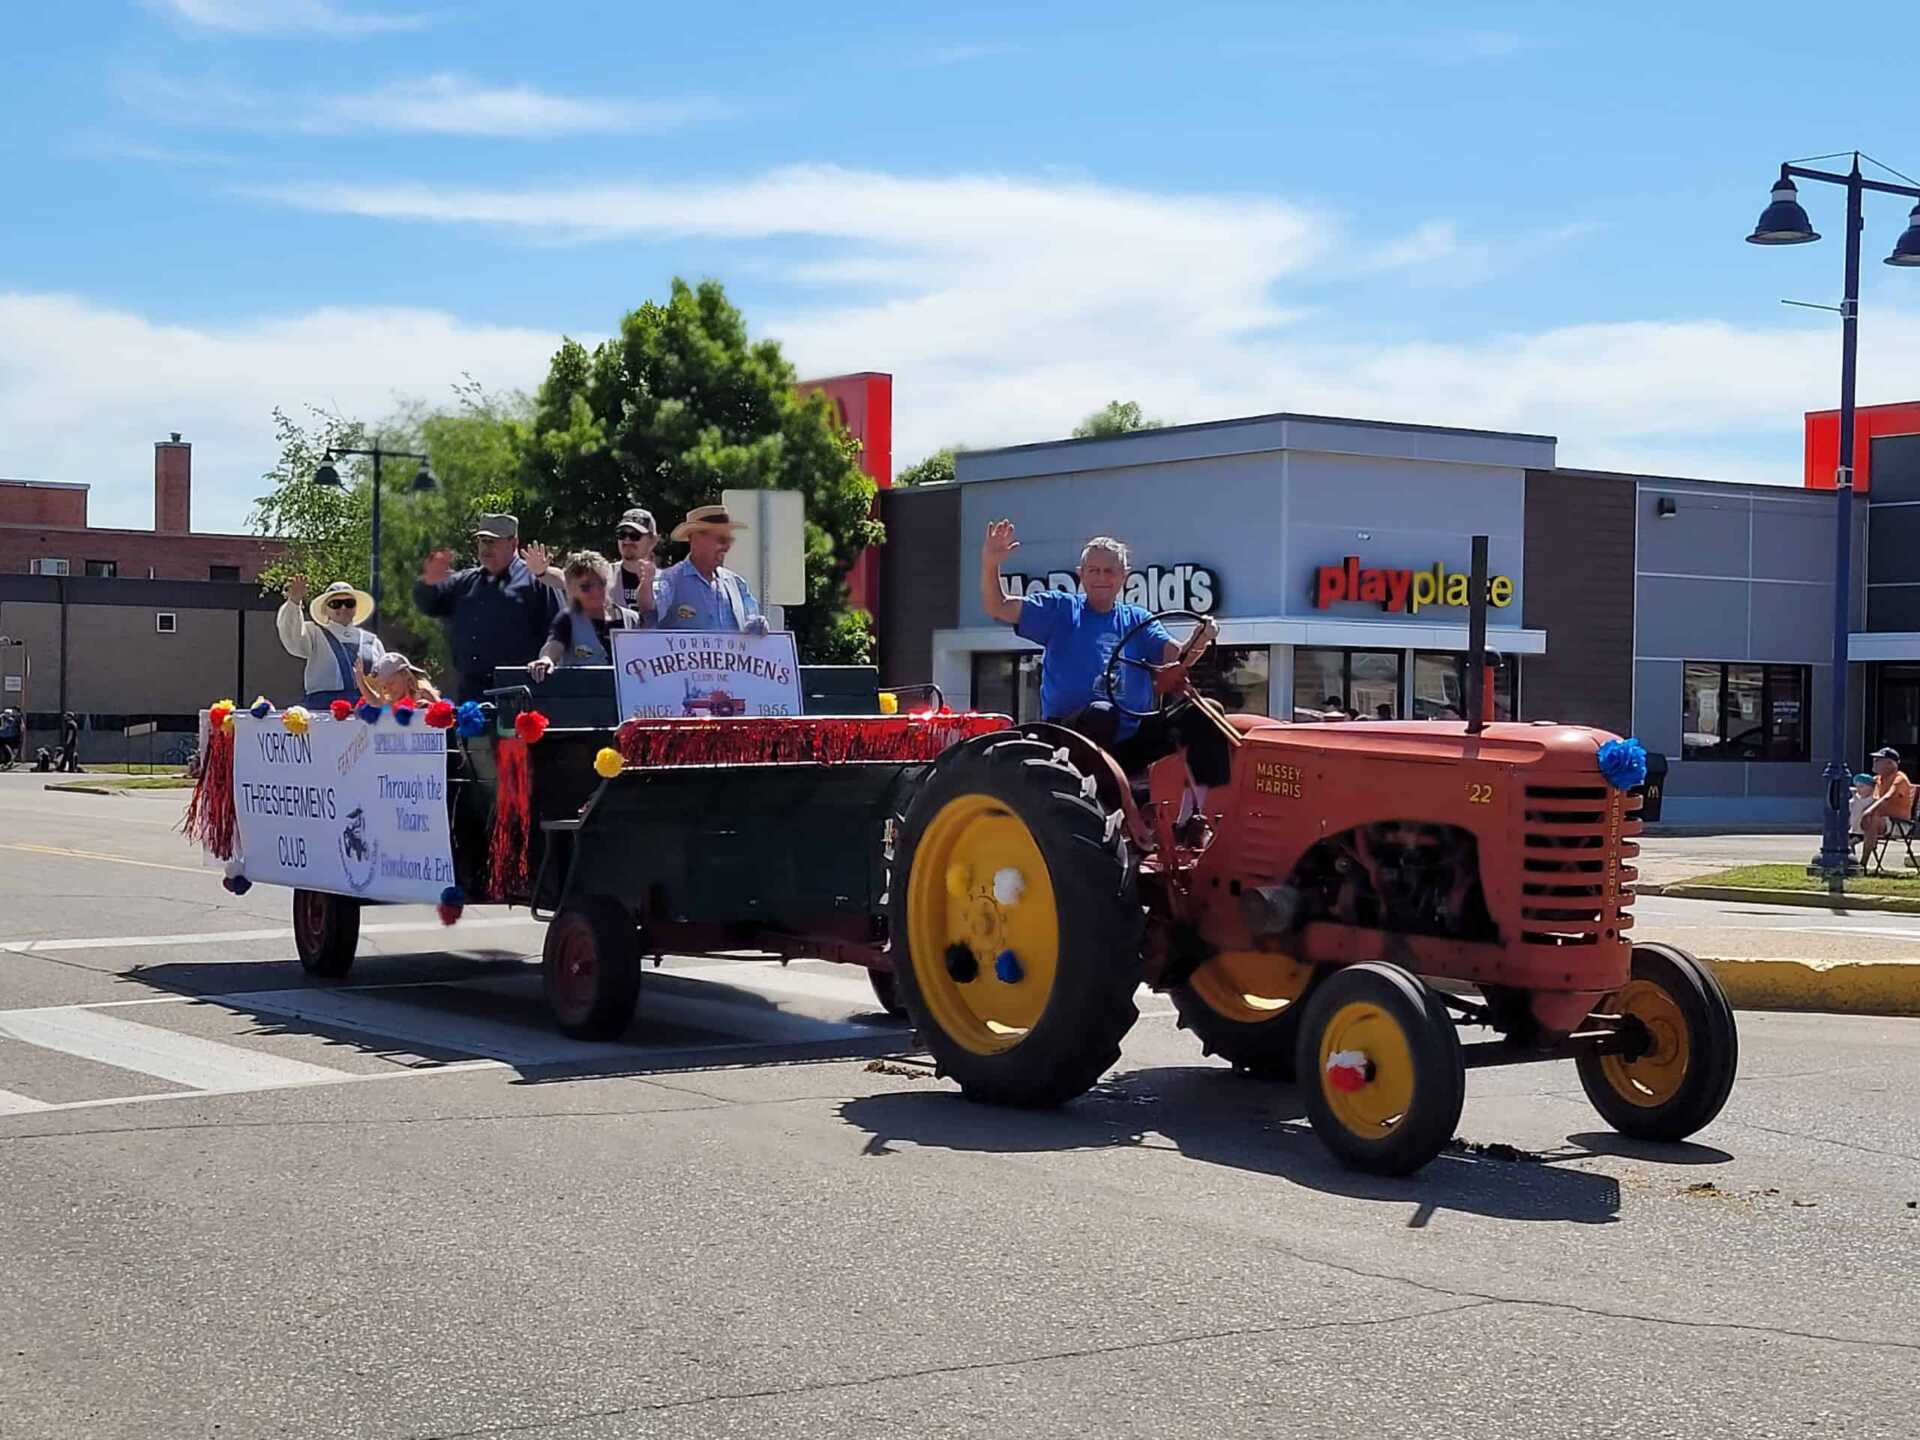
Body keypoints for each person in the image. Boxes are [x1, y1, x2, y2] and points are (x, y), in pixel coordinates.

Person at [979, 520, 1219, 779]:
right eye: (1094, 571)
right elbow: (998, 606)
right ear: (1081, 574)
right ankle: (1099, 799)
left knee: (1207, 711)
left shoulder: (1137, 620)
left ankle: (1201, 808)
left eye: (1109, 571)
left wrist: (1201, 637)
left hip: (1130, 739)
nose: (1101, 578)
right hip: (1072, 739)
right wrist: (991, 562)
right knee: (1103, 713)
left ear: (1124, 575)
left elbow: (1178, 658)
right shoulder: (1061, 610)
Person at [413, 514, 562, 702]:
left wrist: (547, 658)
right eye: (482, 541)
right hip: (471, 694)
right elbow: (430, 605)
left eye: (492, 542)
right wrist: (427, 581)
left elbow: (559, 630)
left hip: (521, 692)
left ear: (513, 542)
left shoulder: (538, 580)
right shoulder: (465, 581)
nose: (485, 547)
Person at [653, 505, 769, 634]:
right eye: (722, 540)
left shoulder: (737, 583)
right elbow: (650, 620)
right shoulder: (670, 580)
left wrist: (758, 626)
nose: (727, 547)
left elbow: (752, 619)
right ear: (695, 539)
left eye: (729, 540)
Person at [530, 551, 644, 681]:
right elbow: (554, 644)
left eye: (602, 583)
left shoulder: (632, 619)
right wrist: (546, 659)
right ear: (571, 589)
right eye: (586, 587)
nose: (596, 592)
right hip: (585, 696)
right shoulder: (567, 620)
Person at [278, 576, 387, 708]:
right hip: (323, 710)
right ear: (325, 609)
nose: (343, 608)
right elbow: (292, 638)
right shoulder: (313, 632)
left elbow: (386, 680)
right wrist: (294, 602)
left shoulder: (372, 641)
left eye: (349, 603)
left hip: (367, 712)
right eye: (335, 604)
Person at [1857, 746, 1916, 864]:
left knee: (1872, 819)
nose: (1874, 762)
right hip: (1883, 821)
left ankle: (1862, 863)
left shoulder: (1899, 778)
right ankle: (1850, 851)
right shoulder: (1878, 779)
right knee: (1852, 813)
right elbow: (1861, 790)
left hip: (1899, 824)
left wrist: (1868, 812)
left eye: (1878, 760)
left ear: (1890, 764)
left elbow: (1887, 797)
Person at [356, 652, 442, 708]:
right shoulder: (391, 702)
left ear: (405, 675)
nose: (389, 690)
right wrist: (360, 679)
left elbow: (446, 714)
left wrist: (432, 705)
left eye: (391, 683)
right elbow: (374, 701)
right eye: (384, 687)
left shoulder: (423, 694)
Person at [0, 705, 20, 769]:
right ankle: (4, 762)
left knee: (8, 749)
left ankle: (8, 761)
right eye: (6, 713)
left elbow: (4, 727)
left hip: (9, 737)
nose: (7, 715)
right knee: (3, 749)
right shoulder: (1, 717)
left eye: (8, 714)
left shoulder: (11, 720)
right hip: (1, 736)